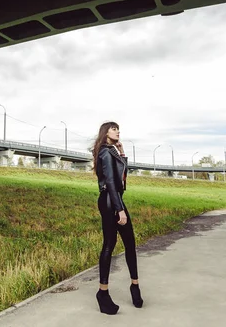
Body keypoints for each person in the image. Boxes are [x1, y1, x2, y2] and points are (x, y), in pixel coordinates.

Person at [92, 121, 143, 315]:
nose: (118, 131)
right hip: (109, 201)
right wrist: (119, 210)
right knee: (109, 244)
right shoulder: (105, 152)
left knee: (130, 243)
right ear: (105, 132)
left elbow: (121, 176)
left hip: (114, 199)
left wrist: (122, 153)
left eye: (118, 129)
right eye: (114, 129)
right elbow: (112, 183)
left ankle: (135, 286)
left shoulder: (111, 151)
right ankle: (102, 293)